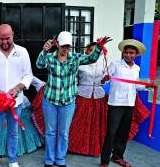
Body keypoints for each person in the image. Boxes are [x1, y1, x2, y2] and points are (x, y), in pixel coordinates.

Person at [36, 31, 110, 167]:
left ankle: (60, 159)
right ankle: (49, 159)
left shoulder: (76, 58)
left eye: (68, 46)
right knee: (50, 132)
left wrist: (99, 46)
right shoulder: (50, 58)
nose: (65, 49)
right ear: (57, 44)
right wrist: (44, 51)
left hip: (68, 102)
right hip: (50, 101)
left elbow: (92, 59)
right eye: (63, 45)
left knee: (64, 133)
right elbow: (39, 65)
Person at [0, 24, 33, 167]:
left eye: (7, 38)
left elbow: (28, 75)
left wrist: (18, 88)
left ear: (13, 35)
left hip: (16, 102)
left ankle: (13, 160)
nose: (4, 42)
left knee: (13, 132)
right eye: (1, 39)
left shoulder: (22, 52)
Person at [100, 39, 152, 167]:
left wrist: (147, 86)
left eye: (132, 53)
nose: (128, 55)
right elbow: (104, 78)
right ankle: (104, 161)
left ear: (136, 54)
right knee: (111, 132)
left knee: (123, 132)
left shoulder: (136, 68)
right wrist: (105, 78)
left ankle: (117, 157)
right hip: (116, 103)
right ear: (123, 53)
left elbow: (136, 86)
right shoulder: (115, 64)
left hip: (129, 104)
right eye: (126, 52)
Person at [68, 42, 108, 156]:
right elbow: (73, 79)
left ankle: (92, 149)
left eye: (96, 51)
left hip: (98, 97)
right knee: (78, 122)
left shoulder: (103, 64)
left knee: (95, 125)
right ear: (86, 51)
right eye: (90, 50)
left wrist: (104, 80)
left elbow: (102, 81)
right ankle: (75, 147)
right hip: (82, 95)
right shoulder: (80, 62)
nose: (92, 53)